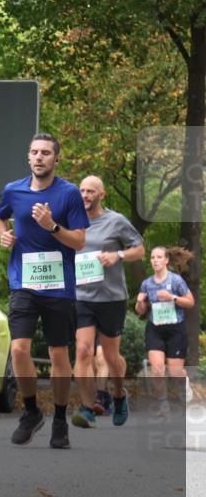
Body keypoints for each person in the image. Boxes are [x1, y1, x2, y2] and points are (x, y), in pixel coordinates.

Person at [0, 133, 88, 449]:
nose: (39, 157)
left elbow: (80, 241)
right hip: (23, 281)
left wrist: (53, 227)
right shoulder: (14, 190)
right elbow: (0, 218)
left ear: (56, 159)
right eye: (34, 152)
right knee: (19, 349)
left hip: (59, 286)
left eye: (46, 152)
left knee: (58, 354)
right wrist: (4, 235)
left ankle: (60, 419)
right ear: (28, 156)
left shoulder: (69, 193)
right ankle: (32, 411)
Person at [71, 175, 144, 429]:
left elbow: (140, 249)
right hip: (81, 296)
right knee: (83, 350)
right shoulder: (72, 220)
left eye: (90, 191)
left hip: (111, 297)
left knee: (111, 357)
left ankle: (119, 395)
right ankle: (87, 407)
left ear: (102, 195)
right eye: (82, 190)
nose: (85, 195)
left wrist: (117, 255)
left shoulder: (116, 221)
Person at [135, 246, 195, 417]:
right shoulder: (147, 283)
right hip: (155, 328)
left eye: (159, 257)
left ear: (166, 260)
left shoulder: (176, 281)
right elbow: (140, 311)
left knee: (175, 372)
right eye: (152, 257)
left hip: (175, 329)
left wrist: (172, 298)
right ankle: (163, 404)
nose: (155, 260)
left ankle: (185, 388)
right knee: (157, 368)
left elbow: (190, 302)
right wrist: (140, 302)